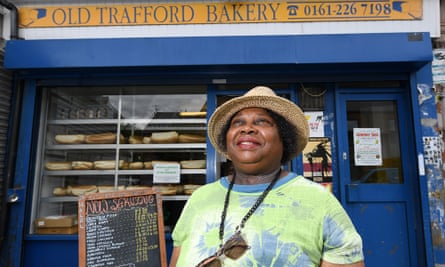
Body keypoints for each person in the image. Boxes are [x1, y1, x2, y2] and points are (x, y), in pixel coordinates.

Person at [169, 86, 364, 267]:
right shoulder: (199, 198)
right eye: (238, 122)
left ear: (284, 140)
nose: (247, 128)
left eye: (262, 121)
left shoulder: (320, 202)